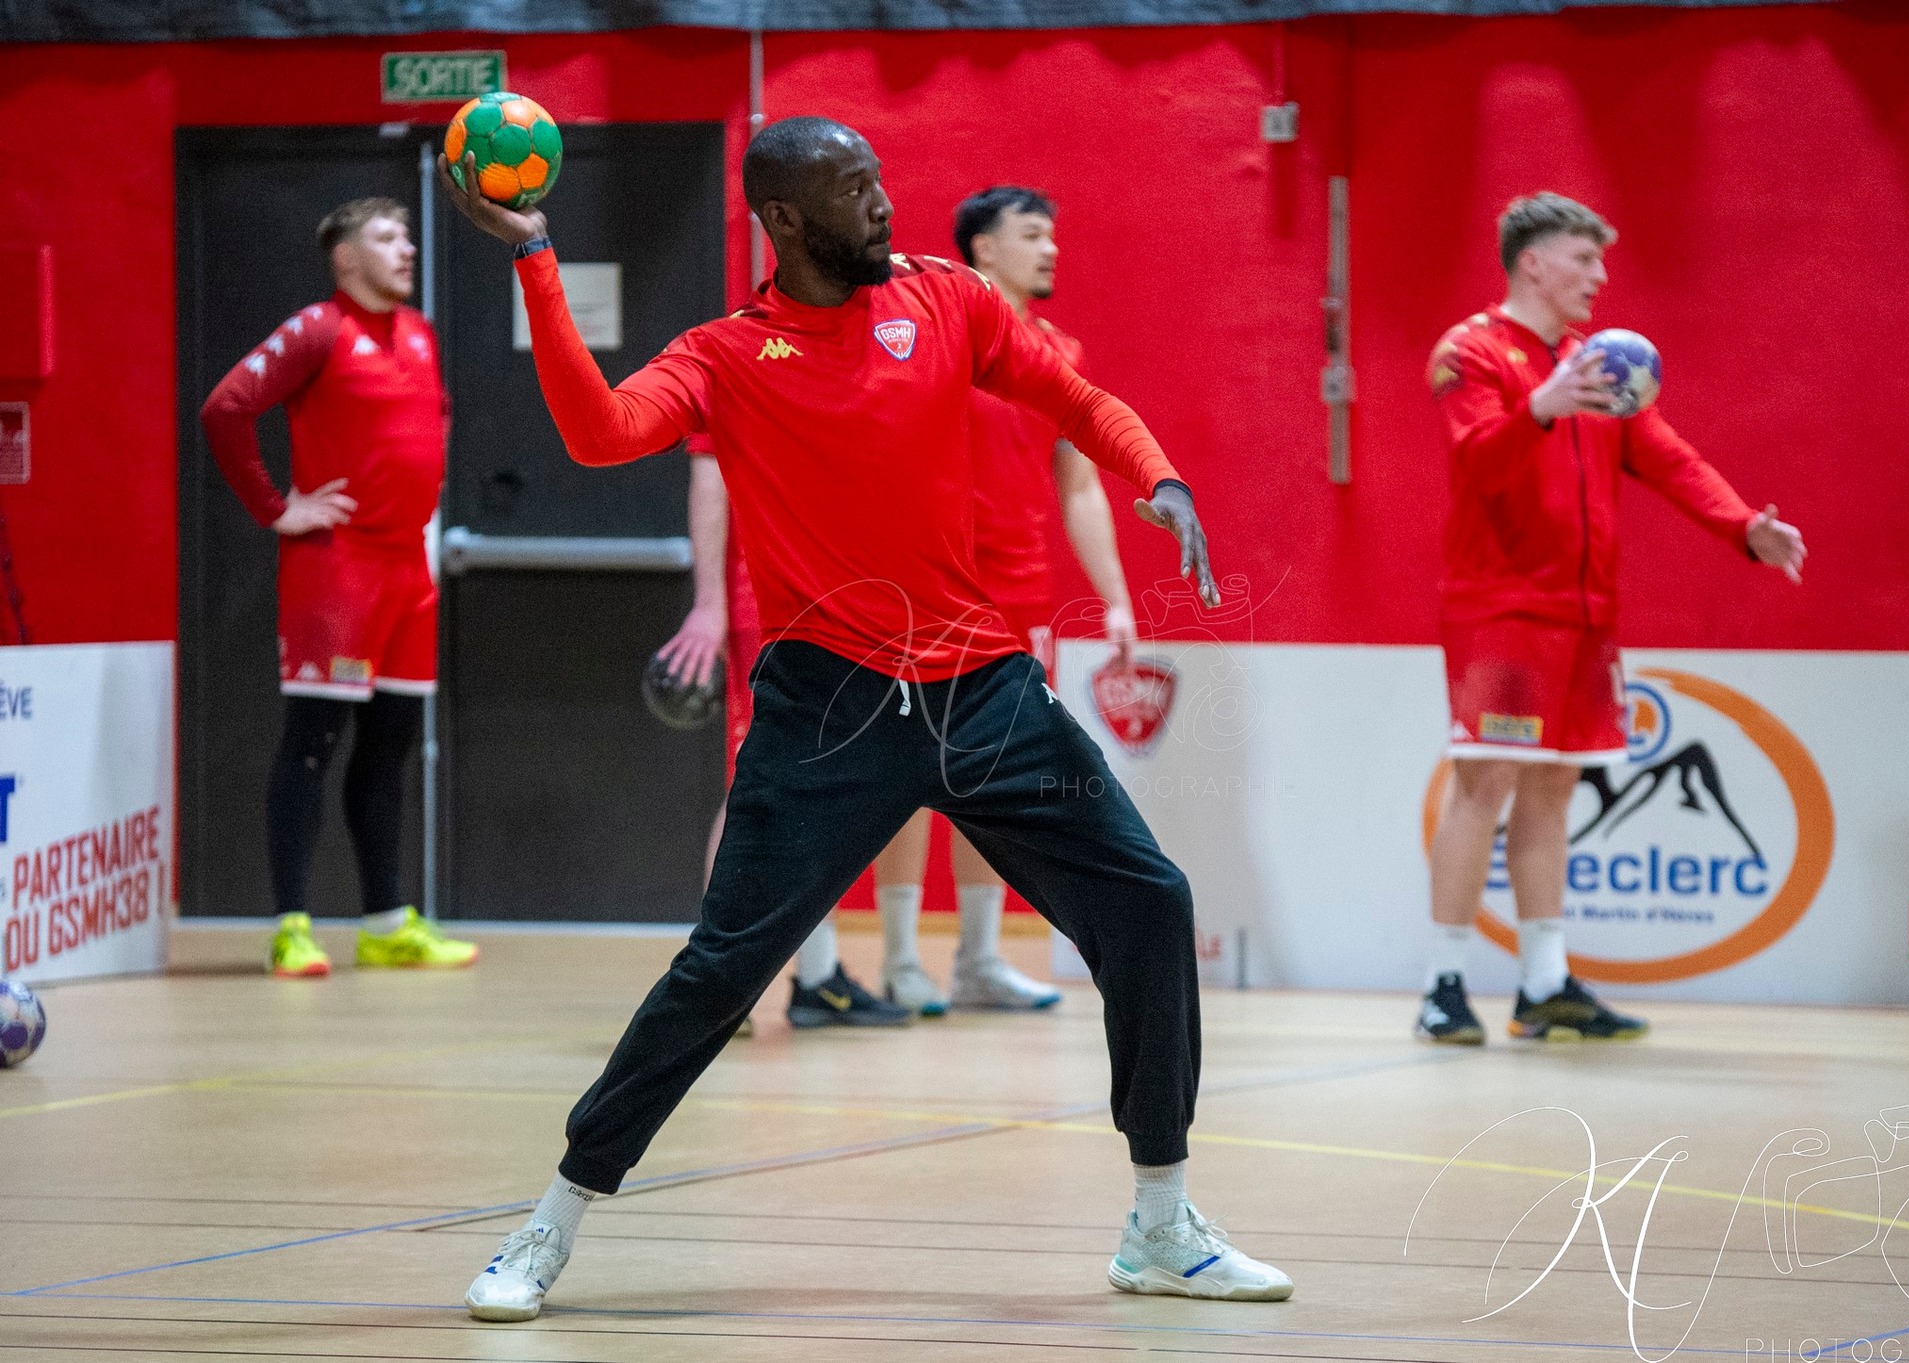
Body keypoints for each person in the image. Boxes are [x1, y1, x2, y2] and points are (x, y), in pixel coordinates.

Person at [445, 116, 1291, 1320]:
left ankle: (1160, 1220)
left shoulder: (947, 300)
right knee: (720, 970)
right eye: (853, 190)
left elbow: (1071, 394)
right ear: (786, 221)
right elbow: (598, 432)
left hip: (980, 689)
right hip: (826, 709)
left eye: (879, 179)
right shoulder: (726, 354)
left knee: (1148, 904)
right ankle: (549, 1224)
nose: (884, 204)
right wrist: (534, 254)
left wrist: (1155, 474)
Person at [1417, 191, 1806, 1045]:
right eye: (1584, 258)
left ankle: (1544, 982)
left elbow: (1666, 453)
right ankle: (1442, 983)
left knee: (1556, 786)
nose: (1600, 276)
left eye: (1601, 260)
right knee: (1486, 779)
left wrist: (1744, 524)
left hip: (1588, 615)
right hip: (1503, 610)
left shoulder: (1602, 362)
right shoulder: (1469, 352)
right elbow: (1477, 464)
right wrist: (1542, 408)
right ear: (1533, 263)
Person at [871, 186, 1140, 1018]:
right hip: (926, 589)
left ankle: (981, 959)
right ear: (982, 249)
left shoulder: (1060, 353)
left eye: (1052, 234)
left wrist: (1117, 600)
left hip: (1016, 598)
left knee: (992, 777)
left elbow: (1082, 485)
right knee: (908, 772)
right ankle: (900, 957)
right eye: (1031, 235)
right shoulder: (936, 339)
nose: (1051, 249)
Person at [200, 197, 478, 978]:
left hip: (405, 570)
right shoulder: (319, 328)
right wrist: (277, 508)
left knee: (389, 747)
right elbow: (225, 408)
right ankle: (292, 925)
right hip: (339, 571)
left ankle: (387, 920)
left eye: (408, 235)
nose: (409, 249)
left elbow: (428, 433)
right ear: (347, 259)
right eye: (389, 237)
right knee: (313, 741)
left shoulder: (418, 335)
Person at [659, 449, 909, 1029]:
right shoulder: (728, 358)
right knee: (754, 783)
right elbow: (710, 476)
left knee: (818, 782)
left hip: (829, 597)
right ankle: (715, 984)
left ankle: (817, 975)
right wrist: (709, 603)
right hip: (766, 600)